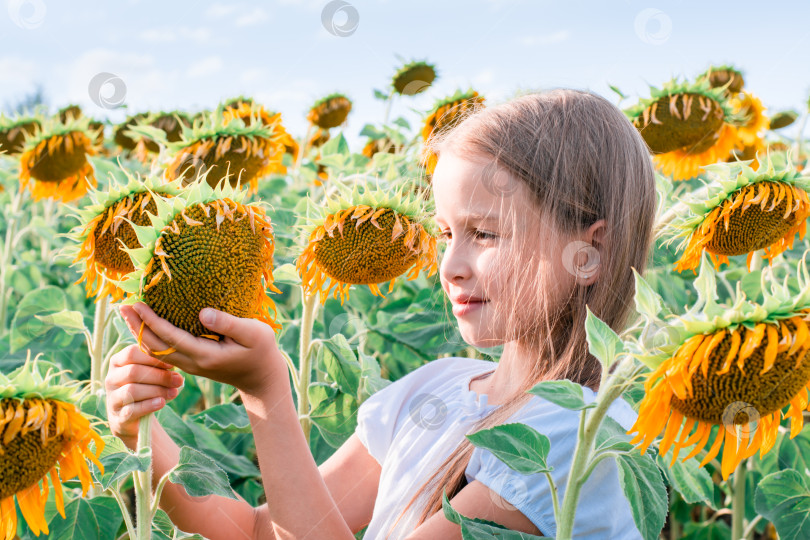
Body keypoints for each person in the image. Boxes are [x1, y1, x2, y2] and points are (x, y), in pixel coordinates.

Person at [105, 88, 657, 539]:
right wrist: (140, 432)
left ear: (589, 252)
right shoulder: (435, 390)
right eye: (446, 234)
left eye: (485, 233)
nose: (451, 266)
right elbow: (259, 530)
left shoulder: (581, 438)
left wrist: (266, 390)